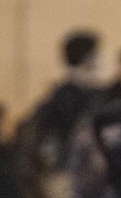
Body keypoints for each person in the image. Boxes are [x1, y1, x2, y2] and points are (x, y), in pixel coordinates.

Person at [26, 29, 103, 174]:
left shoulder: (94, 92)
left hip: (89, 173)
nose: (101, 60)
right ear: (88, 57)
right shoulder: (66, 96)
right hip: (70, 172)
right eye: (97, 55)